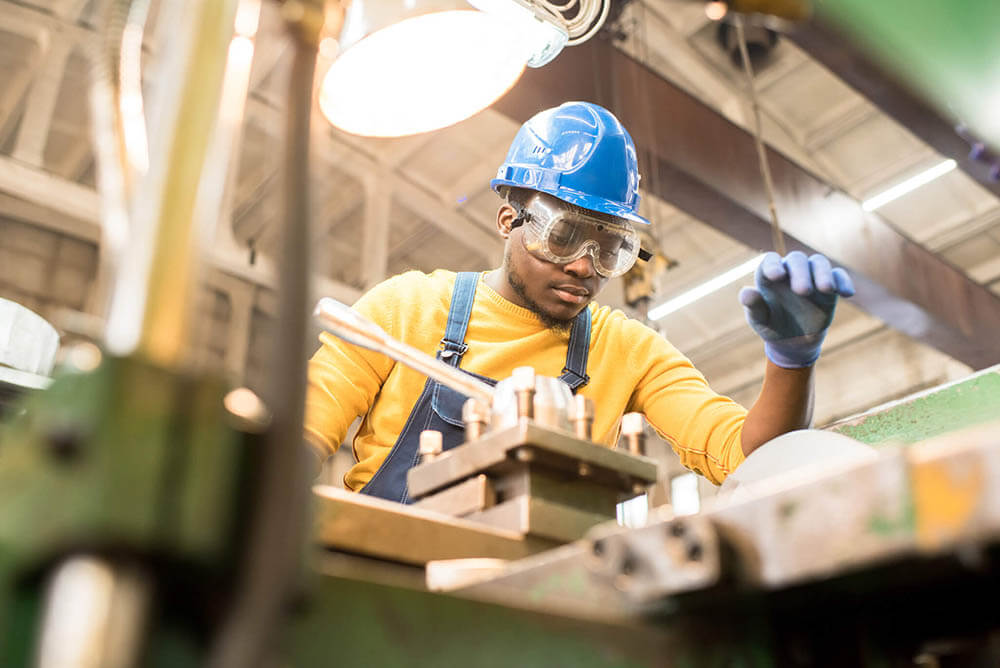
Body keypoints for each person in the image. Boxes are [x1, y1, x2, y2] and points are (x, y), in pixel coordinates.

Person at [304, 101, 854, 503]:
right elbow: (299, 439)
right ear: (507, 219)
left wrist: (790, 364)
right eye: (563, 236)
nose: (585, 267)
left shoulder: (628, 350)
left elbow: (746, 457)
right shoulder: (404, 310)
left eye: (611, 248)